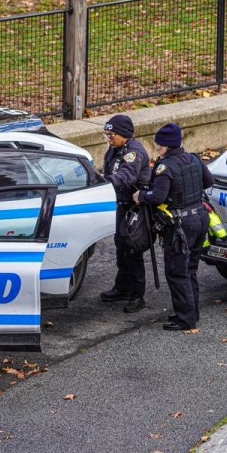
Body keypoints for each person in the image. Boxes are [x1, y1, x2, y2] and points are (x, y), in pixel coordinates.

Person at [133, 123, 213, 331]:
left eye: (159, 145)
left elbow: (157, 196)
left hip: (180, 227)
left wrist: (141, 195)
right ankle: (191, 311)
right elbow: (209, 181)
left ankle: (185, 319)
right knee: (191, 269)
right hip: (200, 218)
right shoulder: (195, 159)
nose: (157, 148)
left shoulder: (165, 167)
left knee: (178, 272)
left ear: (166, 146)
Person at [100, 114, 152, 313]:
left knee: (132, 249)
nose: (108, 138)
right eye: (107, 134)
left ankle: (137, 295)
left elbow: (126, 176)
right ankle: (122, 287)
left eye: (112, 134)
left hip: (135, 208)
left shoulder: (133, 153)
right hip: (121, 205)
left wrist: (106, 183)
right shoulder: (114, 149)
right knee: (121, 246)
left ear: (124, 135)